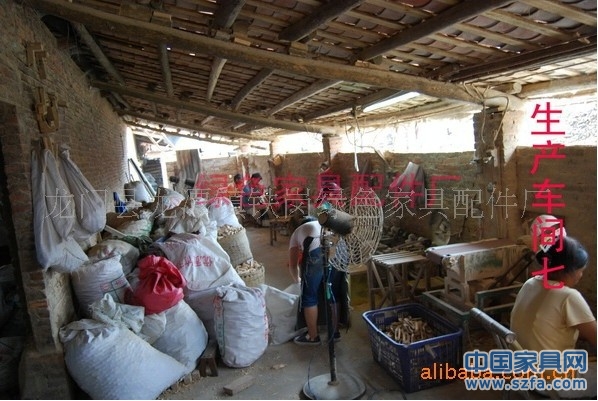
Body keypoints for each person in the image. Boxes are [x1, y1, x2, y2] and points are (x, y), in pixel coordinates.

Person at [510, 236, 596, 398]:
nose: (581, 275)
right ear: (566, 270)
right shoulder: (568, 296)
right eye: (580, 270)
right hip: (553, 383)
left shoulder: (530, 284)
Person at [288, 216, 340, 345]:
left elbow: (293, 265)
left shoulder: (296, 233)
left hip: (316, 252)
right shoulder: (318, 223)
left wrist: (298, 280)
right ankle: (335, 332)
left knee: (309, 296)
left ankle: (312, 337)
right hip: (336, 248)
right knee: (333, 291)